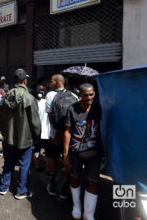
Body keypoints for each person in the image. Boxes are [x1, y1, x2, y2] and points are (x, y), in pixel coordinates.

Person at [0, 69, 41, 199]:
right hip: (25, 138)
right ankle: (21, 191)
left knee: (8, 161)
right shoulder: (29, 98)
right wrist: (36, 136)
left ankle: (4, 187)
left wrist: (4, 132)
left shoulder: (5, 97)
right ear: (25, 81)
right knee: (24, 165)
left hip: (8, 138)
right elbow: (35, 122)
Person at [63, 83, 101, 220]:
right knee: (75, 177)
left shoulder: (98, 108)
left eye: (91, 94)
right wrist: (66, 153)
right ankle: (77, 207)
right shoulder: (72, 109)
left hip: (94, 152)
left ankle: (89, 214)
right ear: (80, 95)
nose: (89, 97)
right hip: (75, 152)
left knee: (93, 181)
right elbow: (67, 131)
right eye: (86, 95)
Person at [45, 74, 78, 198]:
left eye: (52, 81)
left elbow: (50, 116)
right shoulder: (74, 95)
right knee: (67, 160)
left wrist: (58, 132)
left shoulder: (50, 95)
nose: (50, 82)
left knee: (52, 159)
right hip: (69, 135)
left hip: (55, 134)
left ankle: (52, 184)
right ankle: (64, 187)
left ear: (57, 82)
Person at [33, 85, 51, 172]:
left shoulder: (34, 103)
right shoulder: (48, 103)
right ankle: (48, 169)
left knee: (36, 149)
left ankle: (37, 166)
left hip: (37, 131)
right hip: (47, 132)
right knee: (47, 151)